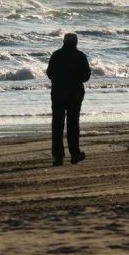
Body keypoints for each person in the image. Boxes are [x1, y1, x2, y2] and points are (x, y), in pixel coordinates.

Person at [46, 32, 91, 166]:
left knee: (57, 125)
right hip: (75, 95)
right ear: (76, 42)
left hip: (58, 94)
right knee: (73, 125)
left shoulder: (56, 55)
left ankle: (57, 156)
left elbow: (50, 73)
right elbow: (85, 77)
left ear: (64, 42)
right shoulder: (80, 56)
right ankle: (75, 154)